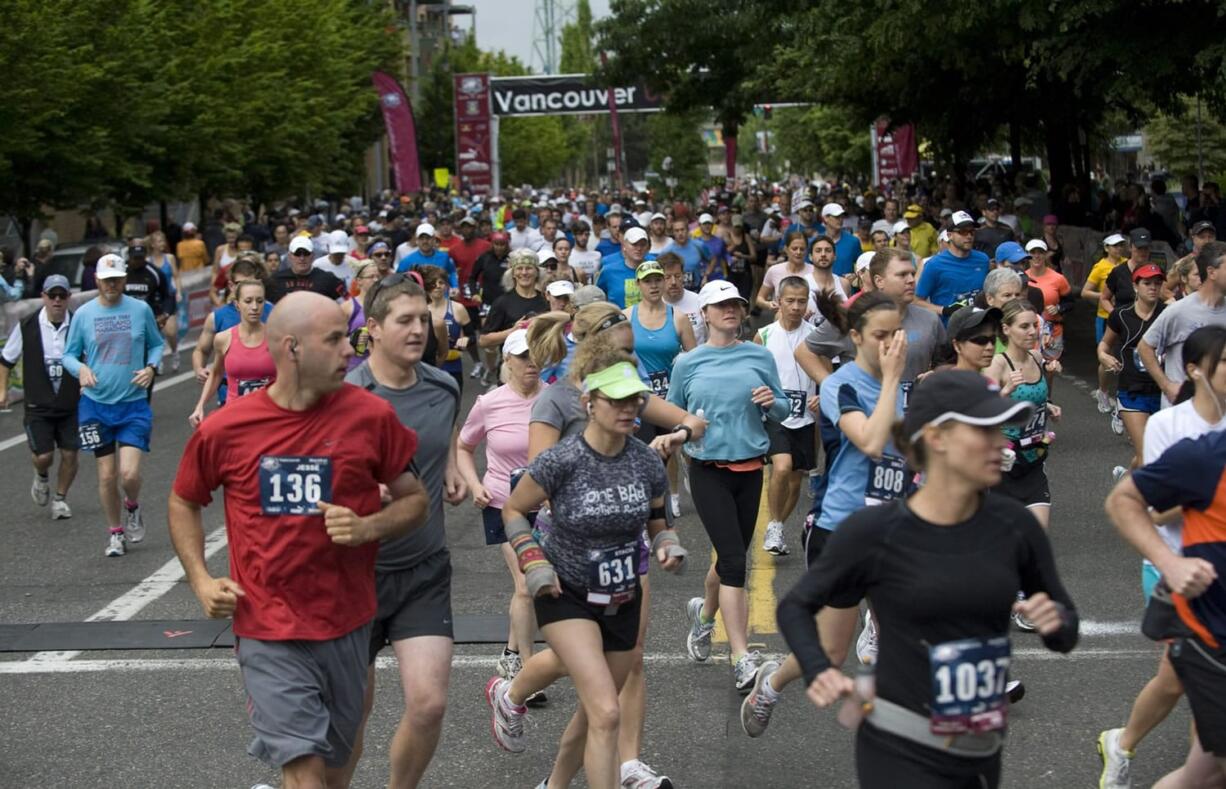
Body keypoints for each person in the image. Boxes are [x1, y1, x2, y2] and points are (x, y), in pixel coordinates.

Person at [170, 291, 429, 789]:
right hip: (267, 625)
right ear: (291, 348)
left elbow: (415, 499)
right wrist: (200, 579)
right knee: (305, 771)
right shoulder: (228, 428)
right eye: (333, 340)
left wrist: (369, 526)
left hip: (347, 620)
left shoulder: (370, 416)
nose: (349, 351)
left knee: (333, 772)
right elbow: (184, 499)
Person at [777, 369, 1079, 789]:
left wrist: (1055, 620)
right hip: (899, 745)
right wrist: (818, 669)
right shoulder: (874, 532)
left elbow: (1065, 630)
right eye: (985, 430)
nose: (1001, 442)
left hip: (981, 750)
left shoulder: (1015, 527)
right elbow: (794, 606)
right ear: (936, 438)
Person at [486, 356, 686, 789]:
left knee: (597, 711)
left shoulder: (647, 462)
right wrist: (533, 560)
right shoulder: (561, 460)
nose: (628, 408)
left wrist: (667, 546)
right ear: (589, 403)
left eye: (634, 398)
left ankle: (554, 785)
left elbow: (656, 523)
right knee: (608, 712)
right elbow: (514, 509)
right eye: (616, 399)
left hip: (621, 597)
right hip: (566, 594)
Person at [340, 277, 466, 789]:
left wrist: (453, 466)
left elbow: (444, 436)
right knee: (350, 714)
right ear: (372, 330)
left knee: (430, 703)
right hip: (354, 574)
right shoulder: (346, 397)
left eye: (423, 319)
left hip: (423, 567)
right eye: (405, 321)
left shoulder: (444, 387)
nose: (420, 329)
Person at [1097, 325, 1226, 789]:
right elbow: (1146, 507)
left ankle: (1123, 741)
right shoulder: (1176, 429)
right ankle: (1127, 743)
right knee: (1190, 697)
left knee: (1176, 684)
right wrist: (1199, 502)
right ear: (1196, 370)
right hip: (1174, 569)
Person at [670, 280, 789, 692]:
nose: (731, 311)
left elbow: (783, 408)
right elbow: (673, 412)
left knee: (727, 559)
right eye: (721, 306)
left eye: (736, 305)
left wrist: (769, 403)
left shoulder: (759, 355)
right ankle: (740, 657)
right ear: (704, 314)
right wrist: (685, 429)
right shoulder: (688, 362)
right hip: (708, 470)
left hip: (751, 467)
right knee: (737, 560)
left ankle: (704, 617)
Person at [60, 254, 163, 557]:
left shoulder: (140, 309)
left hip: (132, 404)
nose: (112, 285)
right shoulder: (83, 314)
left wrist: (151, 367)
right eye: (106, 281)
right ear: (97, 282)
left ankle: (132, 506)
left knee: (128, 475)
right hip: (95, 405)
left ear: (124, 279)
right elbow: (69, 354)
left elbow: (156, 344)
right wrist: (80, 370)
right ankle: (115, 533)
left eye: (117, 279)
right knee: (106, 475)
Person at [457, 328, 544, 680]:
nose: (531, 362)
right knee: (527, 583)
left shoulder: (555, 400)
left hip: (548, 505)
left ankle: (510, 652)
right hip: (504, 504)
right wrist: (474, 483)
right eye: (523, 356)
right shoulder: (489, 403)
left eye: (535, 354)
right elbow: (464, 447)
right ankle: (527, 670)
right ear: (507, 361)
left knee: (544, 583)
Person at [0, 275, 80, 520]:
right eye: (52, 295)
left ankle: (60, 498)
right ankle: (41, 476)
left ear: (68, 298)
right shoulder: (27, 325)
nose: (57, 300)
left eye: (62, 296)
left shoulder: (78, 324)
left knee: (70, 453)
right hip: (38, 403)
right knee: (44, 456)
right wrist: (2, 390)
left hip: (70, 402)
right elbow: (6, 360)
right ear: (43, 297)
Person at [984, 299, 1062, 532]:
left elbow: (1035, 398)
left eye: (1034, 326)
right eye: (1024, 326)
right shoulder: (997, 365)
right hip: (1004, 463)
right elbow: (981, 413)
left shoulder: (1037, 358)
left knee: (1037, 538)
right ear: (1006, 329)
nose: (1032, 332)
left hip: (1034, 458)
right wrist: (1005, 391)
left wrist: (1048, 406)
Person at [755, 276, 818, 557]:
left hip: (805, 416)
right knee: (781, 467)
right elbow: (751, 371)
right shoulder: (765, 334)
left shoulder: (815, 335)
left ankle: (777, 523)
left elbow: (824, 372)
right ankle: (775, 526)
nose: (795, 307)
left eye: (801, 301)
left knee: (795, 479)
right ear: (778, 302)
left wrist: (821, 394)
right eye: (790, 301)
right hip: (775, 414)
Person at [1140, 240, 1226, 407]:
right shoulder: (1179, 311)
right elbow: (1145, 347)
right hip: (1181, 411)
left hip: (1218, 413)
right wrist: (1166, 386)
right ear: (1211, 272)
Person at [1097, 264, 1165, 475]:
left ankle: (1126, 478)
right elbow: (1105, 345)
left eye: (1157, 283)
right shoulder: (1120, 315)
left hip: (1163, 390)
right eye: (1147, 283)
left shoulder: (1169, 314)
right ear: (1135, 287)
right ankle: (1139, 502)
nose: (1152, 287)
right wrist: (1104, 357)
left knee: (1160, 454)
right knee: (1147, 455)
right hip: (1131, 391)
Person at [188, 279, 275, 427]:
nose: (254, 307)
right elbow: (216, 374)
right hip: (236, 416)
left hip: (270, 416)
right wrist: (200, 406)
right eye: (248, 301)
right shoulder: (223, 338)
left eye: (259, 301)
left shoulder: (277, 337)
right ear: (237, 305)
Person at [192, 258, 270, 405]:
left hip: (268, 399)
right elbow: (201, 350)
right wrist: (199, 369)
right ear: (231, 286)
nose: (254, 306)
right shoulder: (217, 317)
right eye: (241, 284)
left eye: (251, 283)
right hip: (229, 395)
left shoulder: (273, 312)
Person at [625, 259, 696, 399]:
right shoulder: (625, 318)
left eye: (658, 280)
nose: (654, 286)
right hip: (637, 401)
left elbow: (694, 363)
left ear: (664, 282)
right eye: (647, 281)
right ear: (638, 284)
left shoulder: (679, 318)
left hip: (672, 399)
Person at [1083, 233, 1131, 413]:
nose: (1119, 249)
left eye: (1121, 245)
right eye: (1115, 246)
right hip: (1105, 317)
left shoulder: (1128, 263)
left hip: (1128, 317)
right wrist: (1106, 297)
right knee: (1107, 357)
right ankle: (1103, 391)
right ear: (1106, 248)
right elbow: (1085, 292)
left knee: (1125, 355)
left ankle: (1123, 396)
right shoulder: (1100, 267)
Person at [915, 211, 991, 319]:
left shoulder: (983, 259)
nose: (969, 236)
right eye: (963, 232)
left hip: (980, 326)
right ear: (949, 235)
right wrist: (943, 310)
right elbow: (916, 301)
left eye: (972, 232)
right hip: (950, 330)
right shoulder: (934, 265)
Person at [479, 250, 548, 354]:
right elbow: (483, 341)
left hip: (543, 362)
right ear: (513, 274)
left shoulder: (546, 300)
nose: (524, 273)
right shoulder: (502, 302)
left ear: (537, 272)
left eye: (529, 268)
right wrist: (513, 331)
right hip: (512, 364)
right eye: (519, 268)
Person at [421, 264, 473, 393]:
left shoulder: (458, 308)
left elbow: (472, 335)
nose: (438, 286)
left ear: (447, 285)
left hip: (453, 365)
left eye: (441, 282)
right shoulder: (420, 310)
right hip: (427, 366)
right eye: (433, 283)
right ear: (426, 286)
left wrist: (466, 340)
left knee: (453, 406)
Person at [267, 236, 346, 303]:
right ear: (290, 256)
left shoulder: (328, 279)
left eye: (306, 253)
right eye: (297, 254)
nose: (302, 258)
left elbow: (347, 300)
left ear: (313, 256)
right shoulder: (275, 280)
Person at [147, 231, 182, 373]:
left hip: (168, 296)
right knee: (155, 331)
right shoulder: (148, 261)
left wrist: (179, 291)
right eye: (159, 241)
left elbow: (176, 276)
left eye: (163, 241)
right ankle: (157, 360)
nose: (162, 244)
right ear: (152, 244)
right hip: (154, 299)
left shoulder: (170, 258)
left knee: (171, 331)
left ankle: (174, 352)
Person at [598, 227, 654, 309]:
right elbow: (598, 297)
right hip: (619, 320)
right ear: (624, 246)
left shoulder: (654, 270)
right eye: (634, 244)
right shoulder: (608, 271)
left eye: (642, 244)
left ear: (647, 247)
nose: (639, 248)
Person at [397, 223, 458, 294]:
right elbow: (398, 280)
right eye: (421, 238)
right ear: (417, 240)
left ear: (434, 240)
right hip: (420, 301)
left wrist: (455, 286)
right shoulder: (407, 261)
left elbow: (451, 272)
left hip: (442, 300)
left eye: (428, 238)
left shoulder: (444, 257)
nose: (425, 241)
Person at [945, 306, 1002, 375]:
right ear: (957, 345)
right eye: (981, 340)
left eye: (993, 339)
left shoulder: (988, 383)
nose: (990, 347)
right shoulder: (944, 384)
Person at [821, 202, 861, 277]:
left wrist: (855, 276)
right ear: (825, 218)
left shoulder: (853, 241)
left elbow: (861, 267)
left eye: (842, 216)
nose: (840, 219)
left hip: (847, 287)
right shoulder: (816, 241)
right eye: (836, 217)